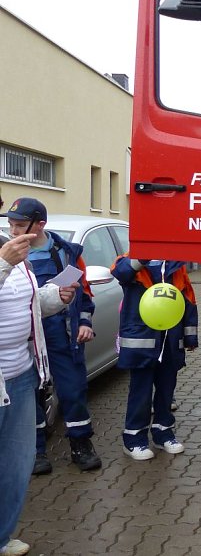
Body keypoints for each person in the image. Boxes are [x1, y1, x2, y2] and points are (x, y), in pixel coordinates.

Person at [3, 197, 101, 475]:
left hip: (62, 334)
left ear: (40, 224)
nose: (13, 232)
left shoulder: (67, 252)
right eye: (10, 224)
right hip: (27, 336)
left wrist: (84, 321)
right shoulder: (7, 254)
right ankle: (35, 452)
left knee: (73, 390)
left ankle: (81, 446)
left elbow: (84, 292)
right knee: (29, 394)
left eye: (20, 225)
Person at [1, 226, 77, 556]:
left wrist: (52, 297)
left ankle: (2, 536)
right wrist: (3, 265)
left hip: (19, 375)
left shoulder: (8, 245)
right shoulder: (7, 255)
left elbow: (24, 303)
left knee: (16, 464)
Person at [111, 256, 198, 460]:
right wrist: (141, 257)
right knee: (140, 393)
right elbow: (120, 273)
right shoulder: (128, 262)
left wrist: (190, 335)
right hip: (142, 342)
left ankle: (164, 433)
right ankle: (133, 439)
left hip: (170, 340)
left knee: (167, 390)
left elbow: (188, 299)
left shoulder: (176, 265)